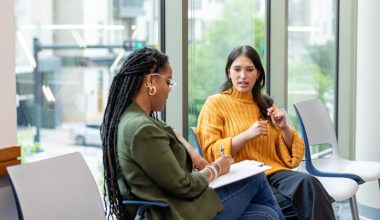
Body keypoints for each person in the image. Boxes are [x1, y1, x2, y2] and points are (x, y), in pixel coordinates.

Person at [100, 47, 284, 220]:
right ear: (150, 82)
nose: (170, 88)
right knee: (256, 178)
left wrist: (192, 152)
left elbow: (167, 131)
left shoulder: (135, 118)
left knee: (267, 214)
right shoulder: (142, 128)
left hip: (176, 203)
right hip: (174, 211)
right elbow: (184, 186)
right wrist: (217, 168)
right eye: (168, 81)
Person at [196, 45, 335, 220]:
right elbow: (210, 151)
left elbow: (291, 159)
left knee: (310, 184)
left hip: (273, 173)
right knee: (303, 203)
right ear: (228, 72)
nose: (243, 76)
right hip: (241, 180)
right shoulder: (215, 103)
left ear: (258, 74)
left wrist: (284, 128)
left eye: (250, 70)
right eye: (237, 69)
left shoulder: (264, 103)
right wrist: (246, 135)